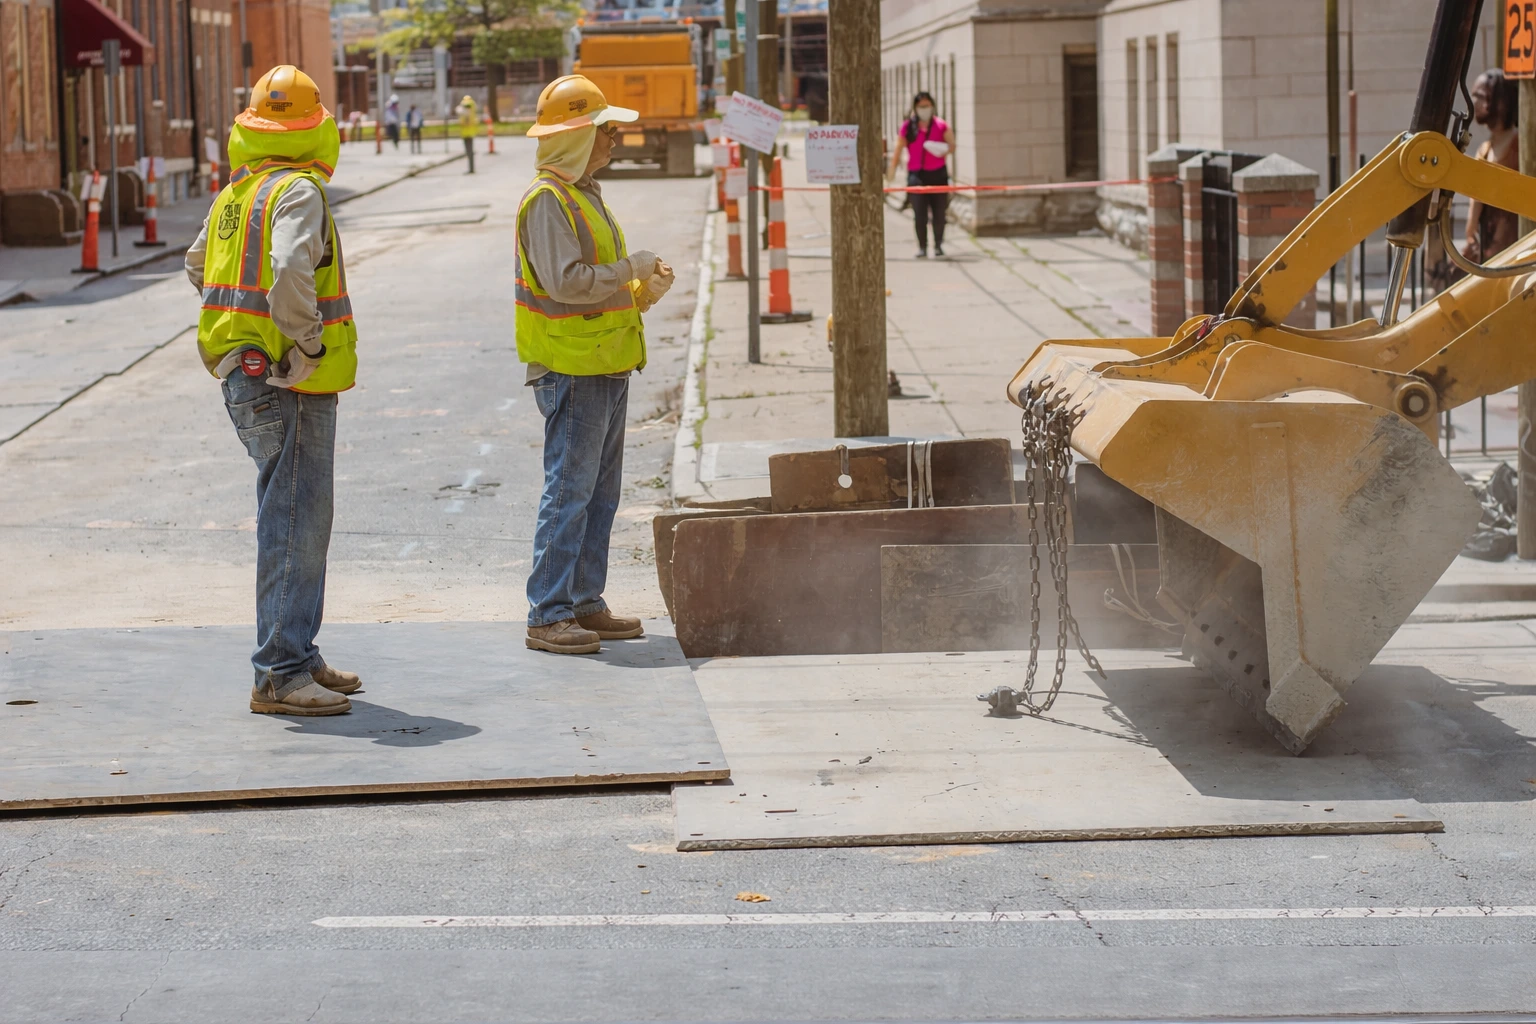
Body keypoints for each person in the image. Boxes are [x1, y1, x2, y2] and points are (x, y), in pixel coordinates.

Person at [185, 65, 361, 716]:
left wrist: (239, 329)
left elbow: (197, 266)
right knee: (295, 521)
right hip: (290, 378)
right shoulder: (300, 191)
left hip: (245, 372)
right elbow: (289, 268)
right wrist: (306, 344)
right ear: (316, 127)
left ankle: (297, 652)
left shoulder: (239, 192)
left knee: (296, 518)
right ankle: (281, 673)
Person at [517, 74, 674, 654]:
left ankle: (583, 601)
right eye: (607, 131)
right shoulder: (547, 202)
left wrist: (638, 293)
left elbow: (592, 287)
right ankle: (548, 612)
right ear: (578, 136)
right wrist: (631, 267)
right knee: (570, 491)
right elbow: (565, 284)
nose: (615, 141)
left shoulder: (582, 193)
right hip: (574, 368)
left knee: (598, 493)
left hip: (603, 364)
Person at [886, 91, 955, 258]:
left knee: (939, 212)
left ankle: (938, 245)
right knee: (920, 214)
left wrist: (940, 148)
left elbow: (952, 145)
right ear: (915, 108)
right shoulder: (908, 126)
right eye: (921, 106)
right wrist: (892, 169)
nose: (925, 109)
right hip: (917, 175)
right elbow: (899, 148)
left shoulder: (941, 125)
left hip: (938, 174)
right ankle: (922, 247)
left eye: (927, 106)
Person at [1466, 68, 1520, 263]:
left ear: (1499, 101)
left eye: (1480, 96)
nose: (1474, 103)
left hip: (1517, 250)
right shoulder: (1485, 149)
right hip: (1490, 251)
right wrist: (1471, 232)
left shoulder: (1521, 147)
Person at [457, 95, 479, 173]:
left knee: (469, 151)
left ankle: (471, 169)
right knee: (470, 151)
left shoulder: (466, 109)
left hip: (466, 133)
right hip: (471, 132)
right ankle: (471, 168)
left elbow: (465, 120)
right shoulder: (472, 109)